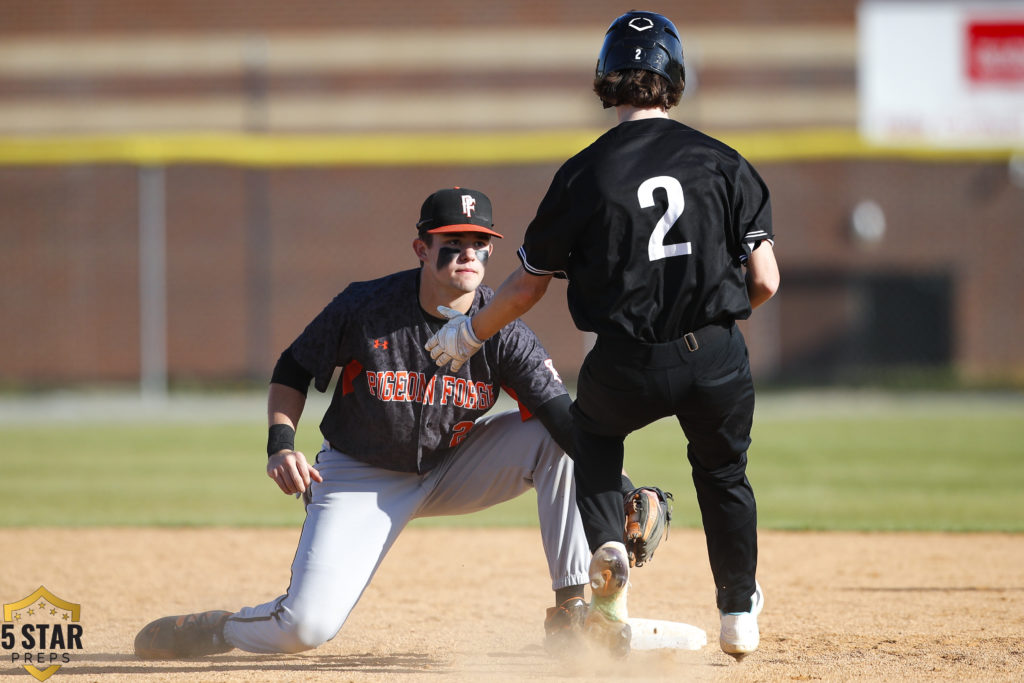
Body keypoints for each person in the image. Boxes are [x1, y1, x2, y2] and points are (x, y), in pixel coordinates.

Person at [132, 187, 660, 661]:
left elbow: (561, 419)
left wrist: (618, 486)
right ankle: (219, 629)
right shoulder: (367, 307)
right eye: (452, 241)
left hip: (453, 465)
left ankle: (570, 610)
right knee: (305, 628)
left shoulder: (503, 329)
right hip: (361, 474)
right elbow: (293, 367)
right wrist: (280, 443)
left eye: (480, 242)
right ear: (422, 249)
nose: (468, 253)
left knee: (554, 437)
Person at [425, 11, 780, 660]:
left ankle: (610, 574)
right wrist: (717, 320)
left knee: (591, 443)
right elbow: (766, 280)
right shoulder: (726, 163)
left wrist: (469, 333)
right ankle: (737, 611)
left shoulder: (582, 174)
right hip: (715, 352)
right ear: (675, 79)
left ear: (605, 82)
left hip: (625, 359)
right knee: (723, 470)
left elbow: (528, 287)